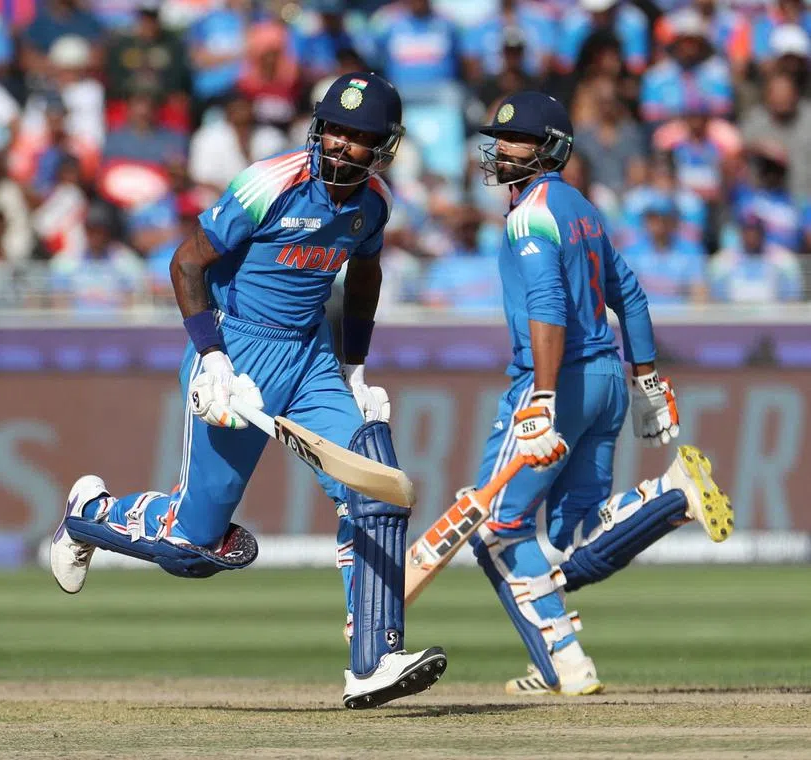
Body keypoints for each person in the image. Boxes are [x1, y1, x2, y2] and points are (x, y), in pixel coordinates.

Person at [48, 72, 448, 709]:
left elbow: (365, 274)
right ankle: (89, 515)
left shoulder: (372, 203)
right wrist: (211, 359)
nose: (344, 146)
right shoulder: (271, 182)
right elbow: (186, 260)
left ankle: (373, 662)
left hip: (313, 359)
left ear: (384, 146)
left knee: (376, 490)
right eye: (337, 130)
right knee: (196, 548)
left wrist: (355, 369)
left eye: (361, 137)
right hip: (237, 354)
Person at [469, 91, 734, 696]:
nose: (501, 150)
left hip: (556, 384)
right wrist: (644, 381)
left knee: (498, 526)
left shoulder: (530, 213)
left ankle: (564, 662)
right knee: (571, 537)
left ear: (551, 149)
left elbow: (547, 305)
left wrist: (539, 397)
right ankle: (667, 495)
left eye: (517, 141)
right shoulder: (583, 208)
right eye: (500, 139)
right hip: (606, 381)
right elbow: (631, 296)